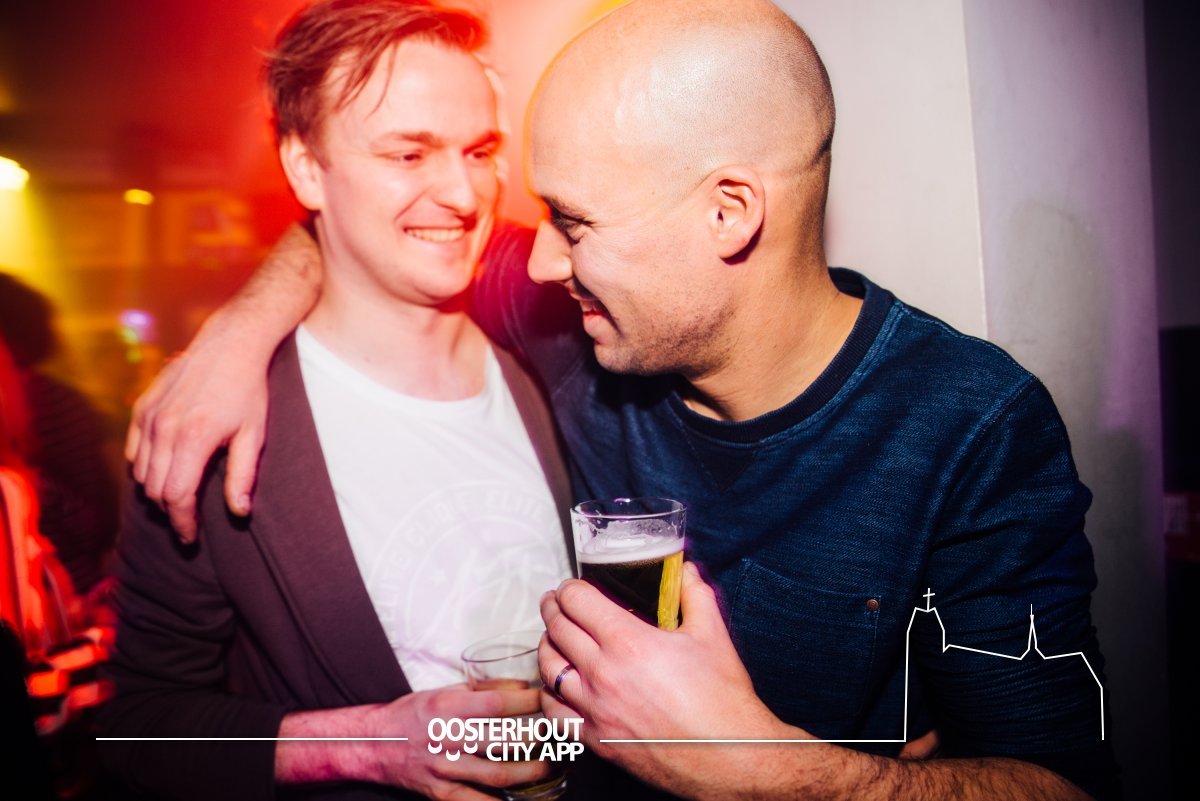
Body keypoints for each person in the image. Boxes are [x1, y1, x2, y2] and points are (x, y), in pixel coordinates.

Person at [123, 0, 1119, 799]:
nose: (528, 254)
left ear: (729, 213)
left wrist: (764, 769)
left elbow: (1065, 781)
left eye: (571, 220)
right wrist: (231, 336)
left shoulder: (969, 426)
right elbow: (374, 235)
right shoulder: (570, 322)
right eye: (412, 151)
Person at [101, 2, 574, 799]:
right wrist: (369, 744)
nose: (463, 192)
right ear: (305, 169)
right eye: (408, 153)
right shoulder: (211, 430)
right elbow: (139, 728)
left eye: (480, 150)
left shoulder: (556, 354)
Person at [0, 273, 118, 596]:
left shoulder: (53, 403)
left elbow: (95, 522)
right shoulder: (61, 399)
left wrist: (28, 477)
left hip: (62, 591)